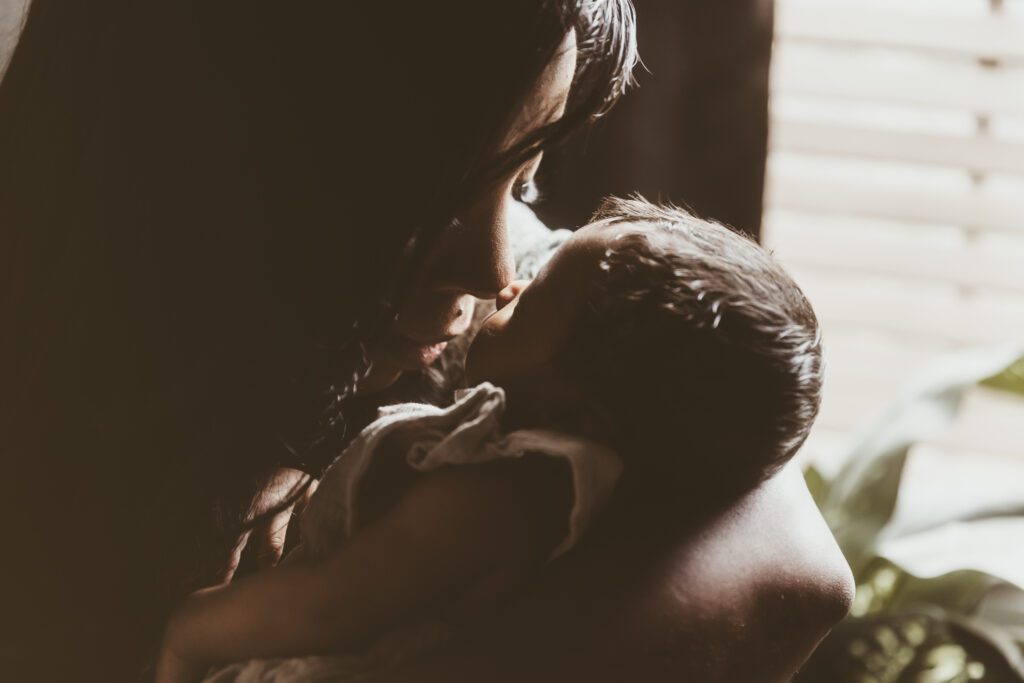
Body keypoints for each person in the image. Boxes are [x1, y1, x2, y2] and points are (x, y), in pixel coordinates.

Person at [0, 2, 852, 682]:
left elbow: (800, 565)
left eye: (526, 179)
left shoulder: (526, 326)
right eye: (442, 195)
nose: (498, 270)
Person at [155, 196, 825, 682]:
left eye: (533, 300)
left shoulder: (498, 495)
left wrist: (191, 630)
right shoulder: (538, 448)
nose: (508, 278)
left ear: (584, 410)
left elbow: (332, 607)